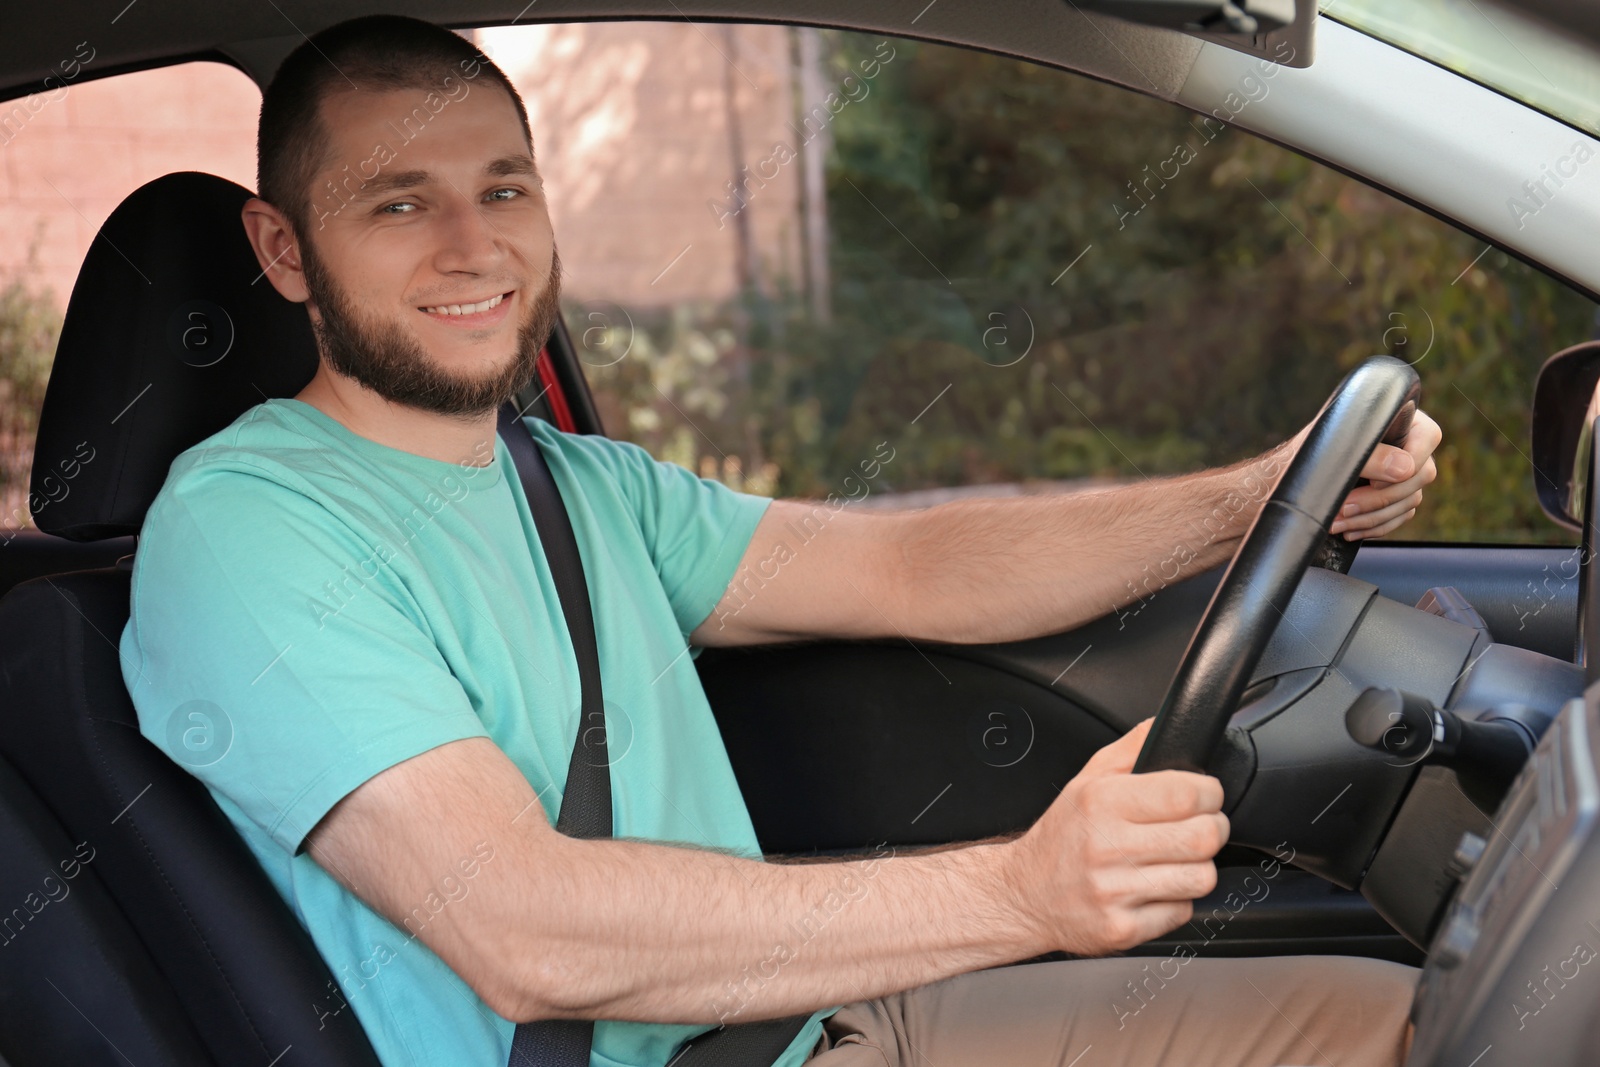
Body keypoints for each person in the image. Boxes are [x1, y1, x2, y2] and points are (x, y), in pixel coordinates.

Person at [119, 15, 1441, 1067]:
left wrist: (1258, 499)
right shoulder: (244, 532)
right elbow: (524, 930)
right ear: (284, 251)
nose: (475, 246)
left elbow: (912, 568)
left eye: (502, 188)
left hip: (803, 1028)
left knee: (1408, 1029)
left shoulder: (577, 485)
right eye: (400, 203)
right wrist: (1026, 892)